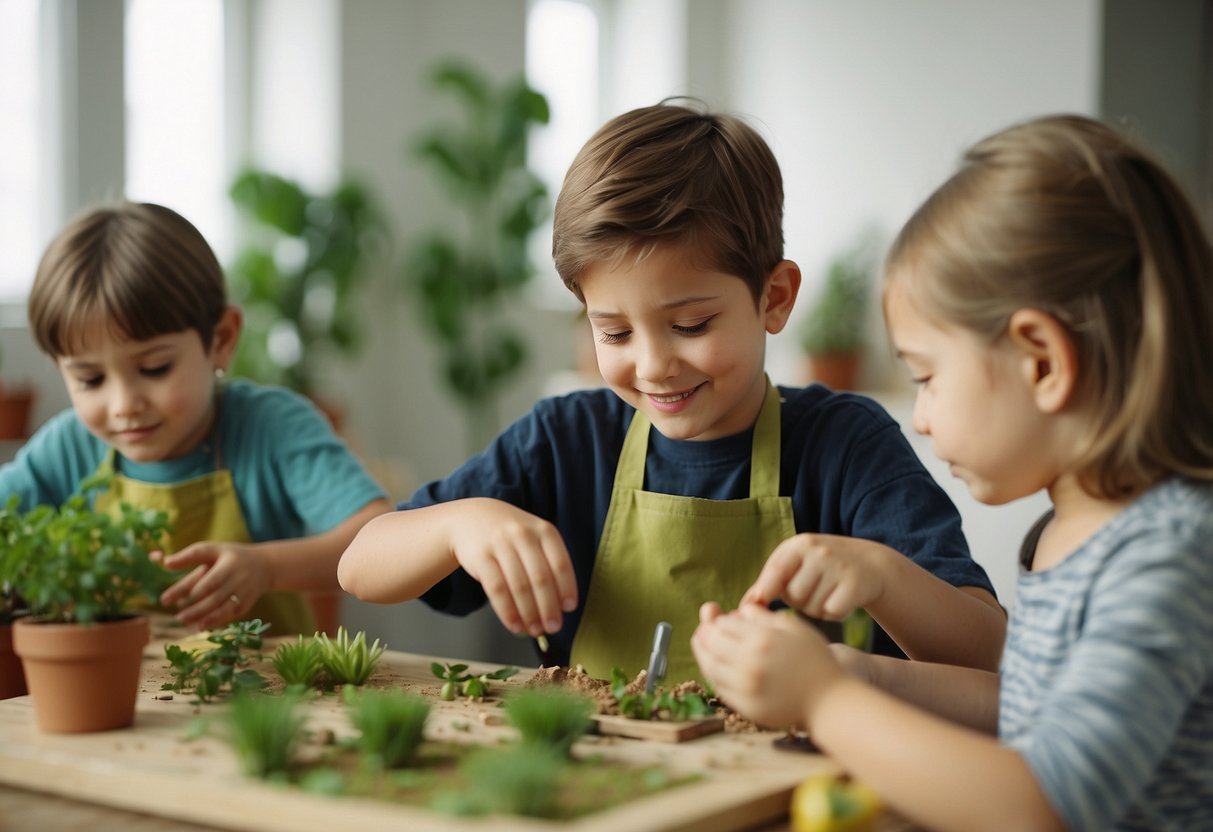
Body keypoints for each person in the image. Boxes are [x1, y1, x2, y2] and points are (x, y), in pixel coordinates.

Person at [339, 101, 1005, 681]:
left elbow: (985, 650)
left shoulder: (845, 446)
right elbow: (359, 567)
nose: (654, 364)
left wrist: (879, 574)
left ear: (773, 298)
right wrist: (461, 523)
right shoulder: (565, 440)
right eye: (615, 332)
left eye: (690, 324)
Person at [691, 114, 1213, 830]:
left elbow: (1041, 802)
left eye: (926, 376)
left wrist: (824, 702)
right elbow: (1029, 713)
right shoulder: (1068, 532)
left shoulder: (1166, 552)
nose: (923, 417)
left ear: (1041, 360)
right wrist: (863, 675)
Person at [0, 201, 391, 635]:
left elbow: (378, 537)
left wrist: (267, 567)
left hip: (266, 695)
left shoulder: (273, 428)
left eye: (155, 369)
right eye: (90, 379)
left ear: (221, 340)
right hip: (118, 691)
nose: (123, 403)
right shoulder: (66, 448)